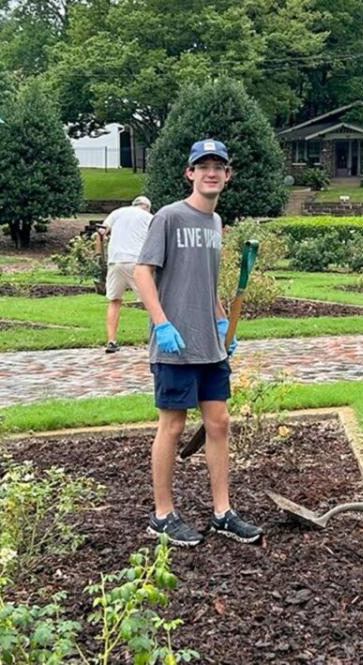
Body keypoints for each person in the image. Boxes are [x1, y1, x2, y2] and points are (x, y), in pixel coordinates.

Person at [134, 138, 262, 547]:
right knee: (172, 425)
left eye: (218, 166)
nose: (211, 172)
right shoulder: (170, 217)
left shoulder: (214, 223)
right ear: (189, 173)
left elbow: (207, 283)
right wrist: (162, 324)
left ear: (228, 174)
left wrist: (223, 320)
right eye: (202, 165)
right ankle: (162, 514)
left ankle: (222, 512)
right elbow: (141, 273)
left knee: (219, 423)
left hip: (210, 345)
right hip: (174, 345)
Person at [97, 195, 153, 353]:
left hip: (115, 261)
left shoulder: (117, 212)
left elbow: (102, 231)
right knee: (151, 301)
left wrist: (99, 254)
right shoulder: (149, 217)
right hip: (137, 262)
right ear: (147, 207)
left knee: (114, 300)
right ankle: (156, 339)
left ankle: (111, 341)